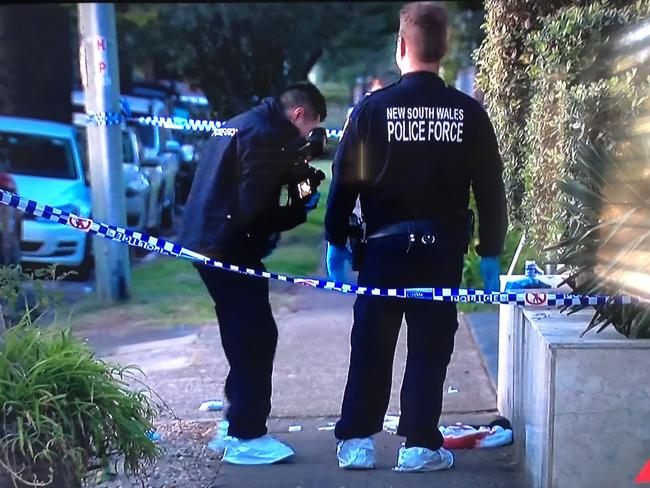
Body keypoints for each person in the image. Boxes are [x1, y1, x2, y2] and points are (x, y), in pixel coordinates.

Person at [325, 1, 507, 473]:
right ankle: (420, 445)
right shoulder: (469, 114)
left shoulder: (370, 111)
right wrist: (489, 253)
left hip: (383, 248)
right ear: (443, 51)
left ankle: (358, 442)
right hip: (440, 252)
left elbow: (346, 181)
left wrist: (335, 240)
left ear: (402, 47)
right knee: (430, 346)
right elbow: (490, 191)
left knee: (371, 343)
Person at [179, 82, 326, 465]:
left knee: (242, 331)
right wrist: (300, 205)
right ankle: (246, 433)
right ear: (298, 115)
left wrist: (294, 179)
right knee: (256, 336)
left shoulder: (240, 123)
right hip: (228, 248)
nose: (307, 137)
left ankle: (235, 423)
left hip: (206, 241)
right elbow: (253, 208)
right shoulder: (264, 135)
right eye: (309, 128)